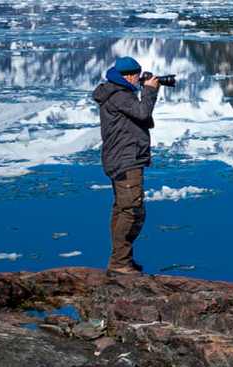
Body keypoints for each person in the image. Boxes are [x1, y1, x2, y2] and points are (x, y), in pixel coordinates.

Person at [92, 57, 160, 274]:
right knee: (132, 210)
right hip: (126, 160)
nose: (139, 78)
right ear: (129, 75)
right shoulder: (120, 95)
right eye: (137, 75)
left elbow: (138, 118)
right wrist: (149, 91)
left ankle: (121, 259)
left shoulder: (116, 92)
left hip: (123, 158)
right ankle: (120, 262)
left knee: (123, 209)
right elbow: (142, 113)